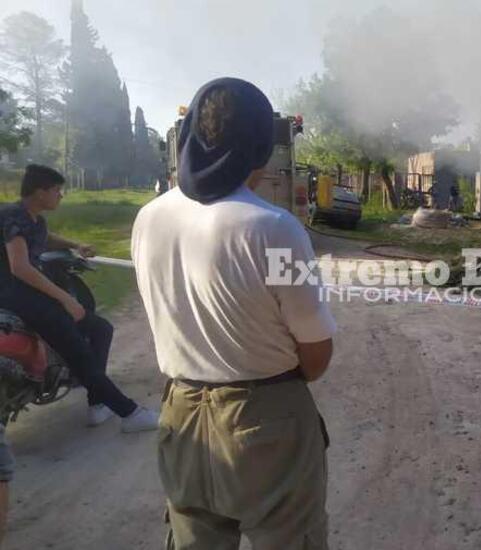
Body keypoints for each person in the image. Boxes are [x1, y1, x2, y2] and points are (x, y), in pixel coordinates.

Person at [132, 78, 335, 549]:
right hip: (266, 420)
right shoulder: (274, 227)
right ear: (260, 148)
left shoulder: (149, 218)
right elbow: (316, 356)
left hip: (181, 417)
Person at [0, 165, 159, 432]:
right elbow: (20, 267)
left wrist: (75, 245)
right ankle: (130, 415)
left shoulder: (33, 218)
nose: (60, 196)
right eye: (56, 190)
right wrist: (65, 298)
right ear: (40, 192)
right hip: (16, 294)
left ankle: (98, 403)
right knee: (79, 353)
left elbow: (43, 238)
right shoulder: (12, 216)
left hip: (28, 292)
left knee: (100, 329)